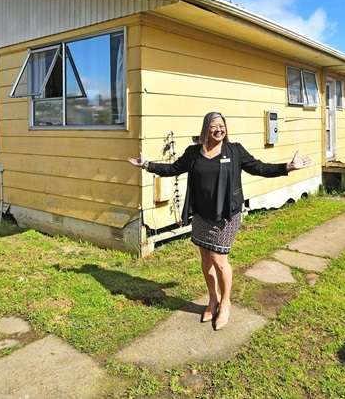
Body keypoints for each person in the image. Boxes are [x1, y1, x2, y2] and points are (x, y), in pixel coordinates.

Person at [128, 112, 311, 330]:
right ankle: (212, 299)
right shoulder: (194, 153)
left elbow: (259, 167)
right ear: (206, 128)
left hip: (226, 215)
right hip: (201, 215)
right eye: (214, 125)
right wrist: (146, 164)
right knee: (206, 258)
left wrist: (287, 167)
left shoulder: (234, 151)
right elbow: (173, 169)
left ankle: (225, 302)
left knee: (219, 259)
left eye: (222, 125)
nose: (219, 129)